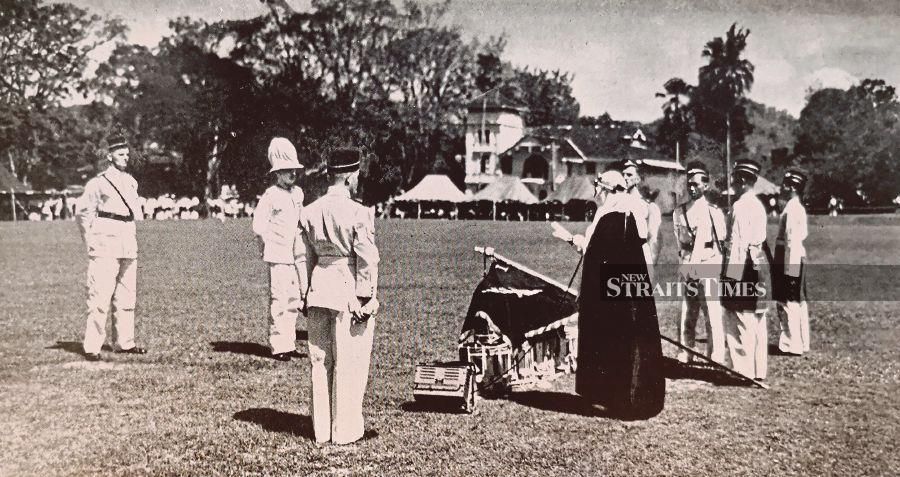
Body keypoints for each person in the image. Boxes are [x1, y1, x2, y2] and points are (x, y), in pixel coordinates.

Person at [554, 170, 665, 419]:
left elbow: (592, 251)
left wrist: (569, 238)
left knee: (606, 340)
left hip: (606, 292)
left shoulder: (607, 214)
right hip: (633, 289)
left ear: (604, 189)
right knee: (632, 342)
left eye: (599, 190)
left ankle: (606, 396)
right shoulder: (635, 210)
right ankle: (634, 398)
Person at [299, 147, 380, 444]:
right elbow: (366, 259)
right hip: (348, 286)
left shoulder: (309, 211)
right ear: (349, 178)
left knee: (320, 360)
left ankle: (321, 429)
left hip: (319, 286)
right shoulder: (359, 212)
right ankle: (345, 430)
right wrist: (365, 297)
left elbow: (303, 257)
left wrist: (303, 293)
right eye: (357, 176)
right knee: (350, 359)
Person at [74, 134, 147, 361]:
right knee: (100, 296)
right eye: (120, 154)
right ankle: (92, 346)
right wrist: (90, 240)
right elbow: (83, 212)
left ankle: (124, 342)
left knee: (127, 295)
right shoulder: (99, 183)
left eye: (127, 154)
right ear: (109, 156)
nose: (125, 158)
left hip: (127, 239)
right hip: (105, 240)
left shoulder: (131, 181)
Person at [251, 137, 307, 361]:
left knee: (294, 299)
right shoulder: (271, 195)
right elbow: (258, 225)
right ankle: (278, 345)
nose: (292, 174)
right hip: (278, 254)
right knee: (279, 299)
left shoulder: (298, 194)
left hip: (295, 254)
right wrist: (268, 244)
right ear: (277, 173)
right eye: (286, 170)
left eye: (294, 169)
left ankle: (289, 341)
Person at [721, 159, 771, 381]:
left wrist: (731, 277)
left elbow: (737, 244)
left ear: (741, 180)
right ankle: (758, 369)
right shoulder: (758, 205)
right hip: (759, 263)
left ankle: (742, 370)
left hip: (744, 266)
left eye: (734, 177)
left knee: (739, 317)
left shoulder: (740, 206)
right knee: (757, 320)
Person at [672, 162, 727, 364]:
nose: (692, 188)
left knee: (712, 312)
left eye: (696, 184)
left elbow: (720, 242)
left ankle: (716, 356)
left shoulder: (714, 212)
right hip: (687, 264)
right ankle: (685, 351)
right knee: (686, 312)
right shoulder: (679, 212)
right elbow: (680, 242)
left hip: (708, 264)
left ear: (706, 185)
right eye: (690, 184)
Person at [774, 168, 810, 356]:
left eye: (785, 184)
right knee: (798, 301)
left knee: (788, 301)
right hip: (795, 256)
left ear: (791, 187)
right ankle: (802, 341)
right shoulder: (796, 207)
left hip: (790, 257)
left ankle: (791, 342)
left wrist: (789, 269)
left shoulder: (792, 209)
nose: (782, 187)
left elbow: (790, 241)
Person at [621, 159, 662, 266]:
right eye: (623, 174)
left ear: (638, 179)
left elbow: (654, 239)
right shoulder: (618, 202)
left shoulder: (648, 206)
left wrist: (650, 266)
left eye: (629, 175)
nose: (625, 178)